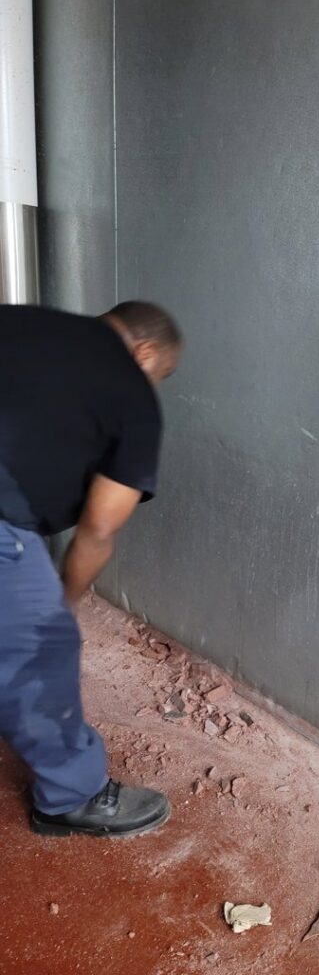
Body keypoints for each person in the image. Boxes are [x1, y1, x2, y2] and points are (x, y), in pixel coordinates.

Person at [0, 300, 182, 838]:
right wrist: (65, 603)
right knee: (43, 648)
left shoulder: (25, 319)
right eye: (161, 377)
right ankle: (71, 795)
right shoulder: (133, 394)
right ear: (143, 353)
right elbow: (99, 530)